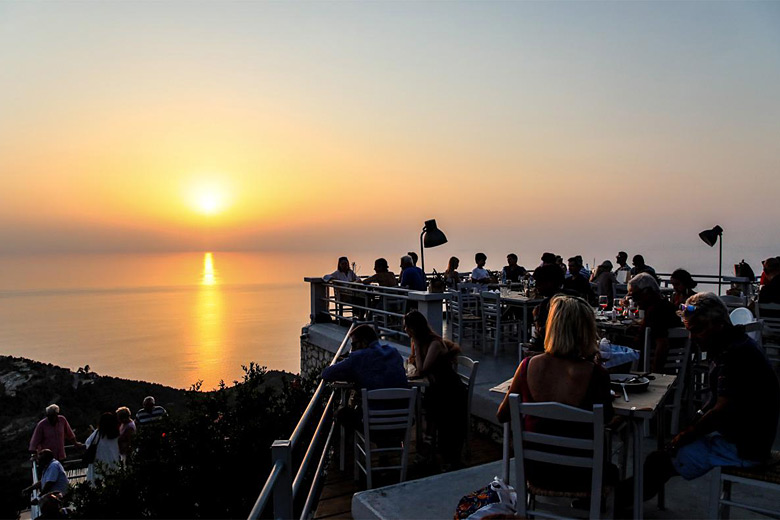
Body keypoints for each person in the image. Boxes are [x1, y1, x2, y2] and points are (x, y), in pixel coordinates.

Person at [638, 292, 779, 501]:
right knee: (661, 458)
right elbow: (716, 402)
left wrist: (685, 436)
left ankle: (621, 503)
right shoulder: (735, 344)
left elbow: (720, 411)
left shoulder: (735, 355)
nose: (692, 338)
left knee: (658, 461)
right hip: (749, 439)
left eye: (697, 330)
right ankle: (629, 499)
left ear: (719, 324)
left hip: (744, 448)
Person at [497, 295, 615, 492]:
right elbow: (607, 419)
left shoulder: (527, 366)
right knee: (613, 472)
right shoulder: (596, 374)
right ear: (585, 331)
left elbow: (502, 415)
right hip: (583, 473)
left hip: (536, 471)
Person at [405, 310, 467, 468]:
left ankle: (430, 449)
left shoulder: (434, 343)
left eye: (407, 327)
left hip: (450, 389)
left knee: (431, 406)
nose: (405, 330)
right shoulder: (422, 342)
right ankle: (428, 446)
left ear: (414, 328)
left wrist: (417, 346)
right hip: (437, 386)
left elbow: (422, 369)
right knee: (429, 404)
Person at [627, 273, 681, 372]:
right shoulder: (669, 307)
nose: (634, 300)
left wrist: (655, 373)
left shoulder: (656, 311)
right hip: (671, 366)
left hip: (644, 367)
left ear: (647, 292)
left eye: (635, 295)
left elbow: (662, 344)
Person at [84, 412, 122, 483]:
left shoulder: (98, 433)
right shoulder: (116, 433)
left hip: (99, 463)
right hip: (113, 463)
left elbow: (88, 443)